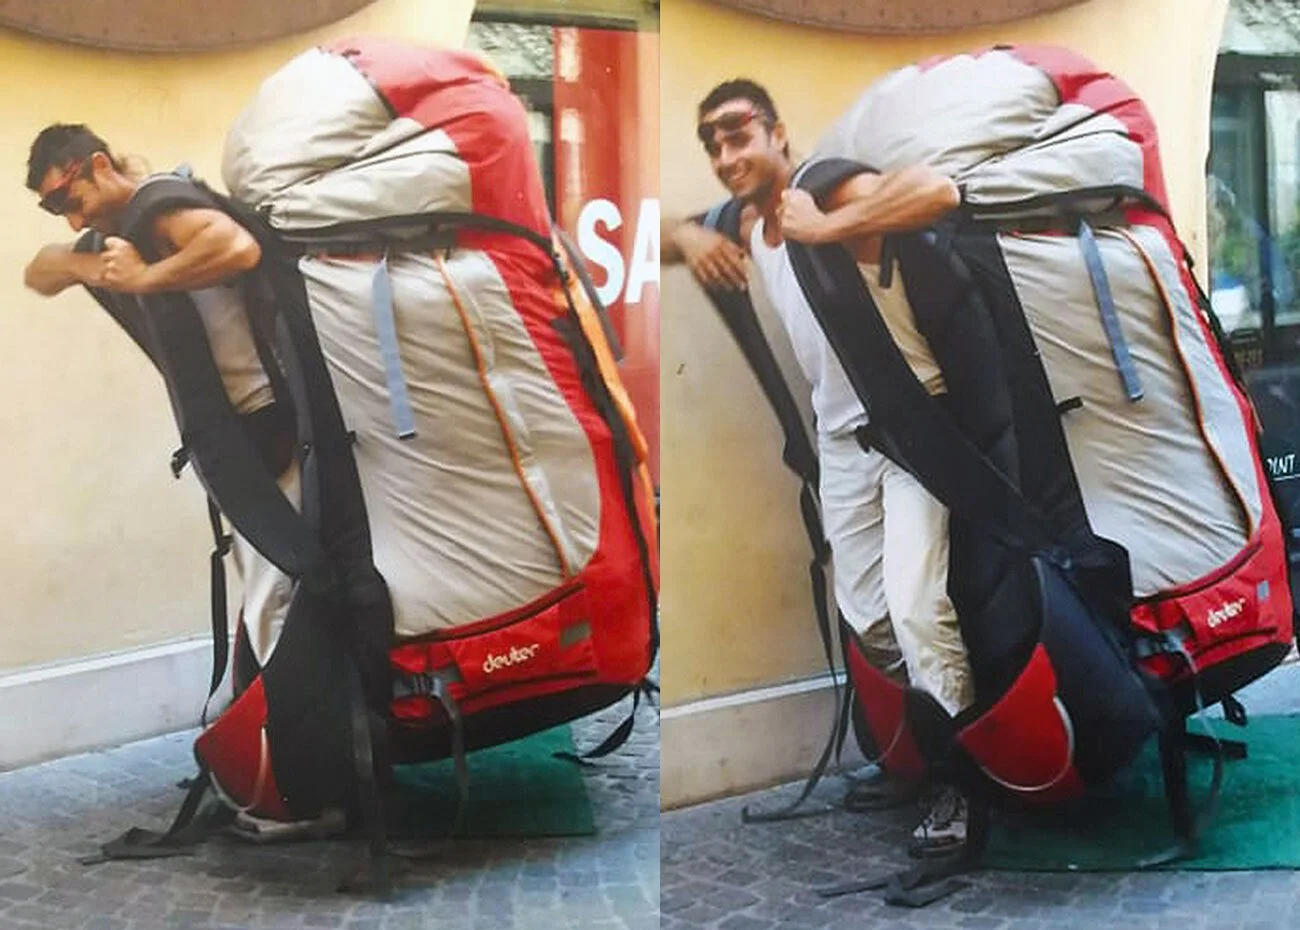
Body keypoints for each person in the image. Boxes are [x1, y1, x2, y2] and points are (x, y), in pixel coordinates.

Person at [664, 80, 975, 856]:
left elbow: (937, 192)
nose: (725, 154)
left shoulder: (825, 187)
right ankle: (928, 747)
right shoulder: (743, 221)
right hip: (841, 443)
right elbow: (647, 238)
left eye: (738, 134)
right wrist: (690, 238)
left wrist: (830, 226)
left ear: (777, 133)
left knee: (916, 609)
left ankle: (961, 785)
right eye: (711, 143)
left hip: (910, 426)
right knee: (870, 618)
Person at [22, 124, 297, 676]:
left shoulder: (159, 205)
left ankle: (304, 712)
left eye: (70, 201)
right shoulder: (119, 234)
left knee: (280, 584)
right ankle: (288, 707)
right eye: (56, 210)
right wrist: (87, 267)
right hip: (231, 433)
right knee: (268, 583)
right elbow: (39, 272)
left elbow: (236, 247)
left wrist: (146, 279)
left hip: (275, 419)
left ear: (100, 165)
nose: (73, 221)